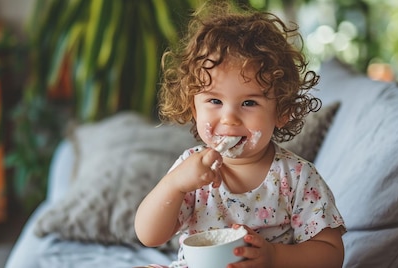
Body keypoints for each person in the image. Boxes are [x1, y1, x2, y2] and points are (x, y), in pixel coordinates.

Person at [134, 2, 346, 267]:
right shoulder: (189, 171)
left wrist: (273, 257)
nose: (229, 118)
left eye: (249, 103)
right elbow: (149, 236)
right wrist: (174, 185)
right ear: (193, 107)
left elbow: (331, 255)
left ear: (281, 111)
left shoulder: (297, 177)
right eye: (214, 101)